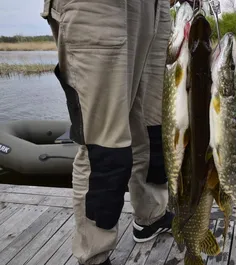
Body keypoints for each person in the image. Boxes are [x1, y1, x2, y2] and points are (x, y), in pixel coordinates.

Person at [40, 0, 191, 264]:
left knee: (154, 131)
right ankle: (94, 254)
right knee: (104, 150)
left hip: (155, 9)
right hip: (99, 7)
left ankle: (151, 216)